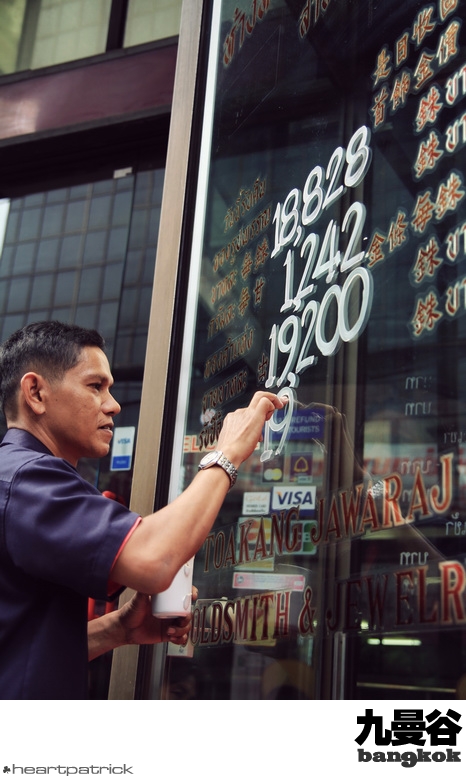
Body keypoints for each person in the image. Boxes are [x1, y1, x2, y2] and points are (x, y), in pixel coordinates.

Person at [0, 320, 285, 699]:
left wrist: (118, 629)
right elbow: (153, 560)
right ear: (35, 393)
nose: (114, 404)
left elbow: (20, 651)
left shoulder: (17, 476)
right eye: (95, 386)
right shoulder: (24, 478)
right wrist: (228, 453)